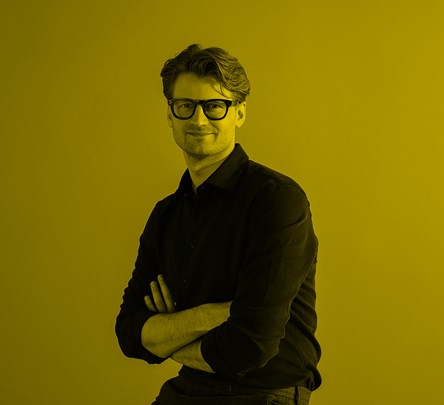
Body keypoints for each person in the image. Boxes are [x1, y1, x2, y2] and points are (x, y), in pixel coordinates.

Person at [115, 44, 321, 405]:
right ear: (170, 114)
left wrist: (169, 333)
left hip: (262, 396)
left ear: (239, 113)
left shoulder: (276, 201)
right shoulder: (166, 216)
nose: (198, 120)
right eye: (185, 106)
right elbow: (129, 334)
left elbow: (248, 348)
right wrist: (212, 315)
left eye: (214, 106)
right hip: (186, 390)